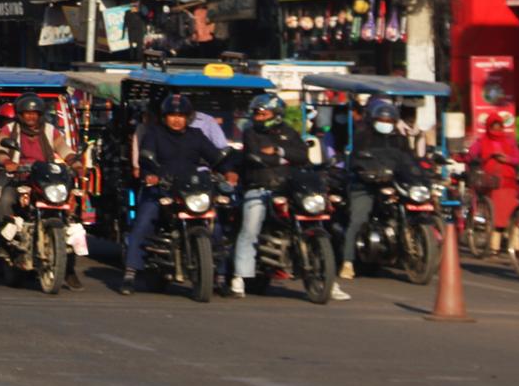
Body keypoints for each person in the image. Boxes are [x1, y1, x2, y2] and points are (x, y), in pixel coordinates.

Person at [230, 93, 348, 300]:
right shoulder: (250, 133)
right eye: (256, 114)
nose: (258, 117)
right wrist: (280, 157)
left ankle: (329, 281)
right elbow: (254, 154)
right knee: (251, 226)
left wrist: (279, 151)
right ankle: (240, 277)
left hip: (289, 188)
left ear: (276, 114)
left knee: (321, 224)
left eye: (262, 113)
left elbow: (302, 155)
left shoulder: (289, 132)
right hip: (260, 187)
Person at [120, 93, 236, 295]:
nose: (176, 119)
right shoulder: (154, 134)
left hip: (192, 190)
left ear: (188, 117)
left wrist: (229, 171)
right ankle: (130, 272)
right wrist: (150, 176)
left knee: (216, 226)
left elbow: (216, 157)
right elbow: (146, 160)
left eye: (181, 115)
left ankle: (219, 277)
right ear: (165, 116)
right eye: (172, 115)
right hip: (162, 188)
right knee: (144, 220)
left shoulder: (196, 135)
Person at [0, 94, 85, 291]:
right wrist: (7, 162)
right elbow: (1, 149)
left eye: (35, 113)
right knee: (6, 200)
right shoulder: (10, 129)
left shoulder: (50, 131)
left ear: (41, 115)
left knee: (72, 217)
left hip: (45, 180)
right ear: (20, 115)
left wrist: (74, 161)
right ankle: (8, 245)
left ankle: (69, 268)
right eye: (27, 113)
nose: (31, 117)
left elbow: (63, 148)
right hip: (19, 179)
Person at [339, 98, 432, 280]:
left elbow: (408, 160)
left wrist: (419, 173)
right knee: (358, 218)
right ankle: (347, 262)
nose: (385, 124)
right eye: (382, 121)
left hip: (391, 183)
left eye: (389, 121)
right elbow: (357, 159)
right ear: (374, 120)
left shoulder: (399, 139)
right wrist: (368, 171)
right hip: (365, 184)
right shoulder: (363, 136)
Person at [465, 109, 519, 255]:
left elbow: (518, 159)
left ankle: (516, 247)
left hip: (509, 183)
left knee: (513, 216)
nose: (496, 129)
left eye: (499, 125)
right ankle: (494, 247)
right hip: (492, 183)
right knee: (496, 217)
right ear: (488, 126)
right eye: (493, 126)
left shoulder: (510, 141)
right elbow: (470, 156)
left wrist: (507, 159)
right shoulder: (481, 141)